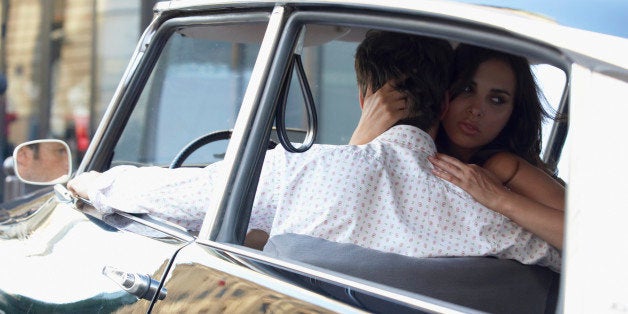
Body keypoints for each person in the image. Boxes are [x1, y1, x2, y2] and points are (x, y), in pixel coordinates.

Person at [68, 31, 560, 270]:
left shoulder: (302, 174)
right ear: (447, 101)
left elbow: (163, 194)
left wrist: (89, 182)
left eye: (496, 99)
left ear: (366, 96)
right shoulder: (491, 219)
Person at [352, 43, 565, 250]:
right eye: (466, 89)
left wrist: (499, 198)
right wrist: (363, 133)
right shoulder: (404, 149)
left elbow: (588, 235)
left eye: (497, 100)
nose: (476, 110)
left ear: (514, 113)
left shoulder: (503, 166)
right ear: (445, 94)